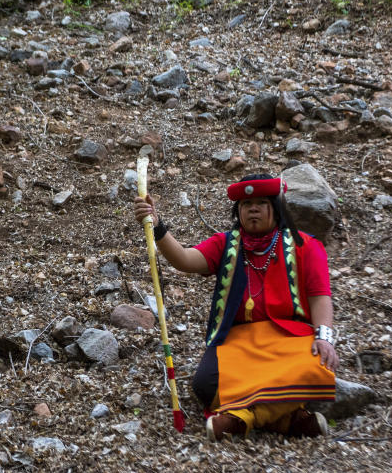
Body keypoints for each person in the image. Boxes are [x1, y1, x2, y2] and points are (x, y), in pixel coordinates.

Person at [133, 173, 338, 441]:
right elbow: (184, 259)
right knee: (206, 385)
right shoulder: (225, 244)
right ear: (237, 211)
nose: (253, 209)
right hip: (238, 340)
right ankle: (287, 420)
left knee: (318, 365)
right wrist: (157, 226)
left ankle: (242, 419)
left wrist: (325, 338)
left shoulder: (306, 245)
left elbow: (320, 296)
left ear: (276, 209)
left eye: (262, 203)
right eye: (245, 205)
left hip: (290, 338)